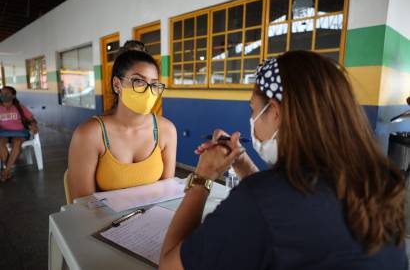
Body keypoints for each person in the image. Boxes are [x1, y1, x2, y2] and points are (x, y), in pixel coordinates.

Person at [159, 51, 407, 270]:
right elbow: (283, 205)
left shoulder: (259, 200)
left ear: (275, 111)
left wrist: (204, 175)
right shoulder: (377, 181)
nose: (252, 118)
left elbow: (169, 266)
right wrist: (243, 162)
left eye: (253, 110)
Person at [67, 46, 177, 199]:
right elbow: (83, 204)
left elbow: (167, 191)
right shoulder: (90, 134)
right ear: (117, 85)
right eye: (139, 81)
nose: (148, 90)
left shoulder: (166, 130)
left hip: (153, 219)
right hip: (105, 222)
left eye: (153, 84)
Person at [0, 86, 38, 181]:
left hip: (19, 132)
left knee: (17, 142)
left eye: (7, 93)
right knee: (0, 143)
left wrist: (33, 124)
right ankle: (8, 170)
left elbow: (31, 119)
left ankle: (6, 171)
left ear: (13, 96)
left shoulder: (19, 107)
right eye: (1, 92)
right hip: (3, 133)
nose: (3, 95)